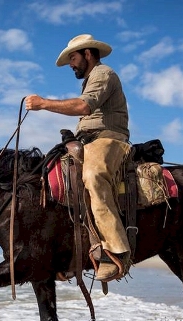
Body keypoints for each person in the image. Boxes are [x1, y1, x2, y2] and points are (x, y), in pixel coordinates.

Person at [25, 34, 131, 282]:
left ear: (87, 54)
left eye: (72, 57)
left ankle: (116, 251)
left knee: (94, 177)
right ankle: (72, 251)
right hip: (87, 140)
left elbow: (84, 107)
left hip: (109, 139)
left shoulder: (104, 74)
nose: (71, 64)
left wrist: (42, 104)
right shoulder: (90, 80)